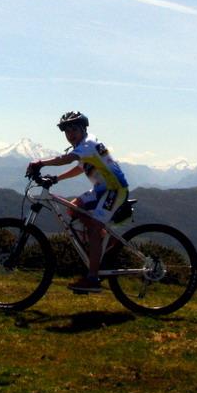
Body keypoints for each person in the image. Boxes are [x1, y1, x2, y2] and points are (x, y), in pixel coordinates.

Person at [28, 111, 129, 293]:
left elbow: (65, 159)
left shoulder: (88, 144)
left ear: (83, 129)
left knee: (94, 228)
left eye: (74, 129)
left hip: (114, 190)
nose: (70, 134)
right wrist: (57, 179)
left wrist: (40, 163)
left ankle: (93, 279)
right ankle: (106, 241)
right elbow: (80, 168)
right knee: (73, 209)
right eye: (67, 131)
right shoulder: (84, 145)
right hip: (101, 190)